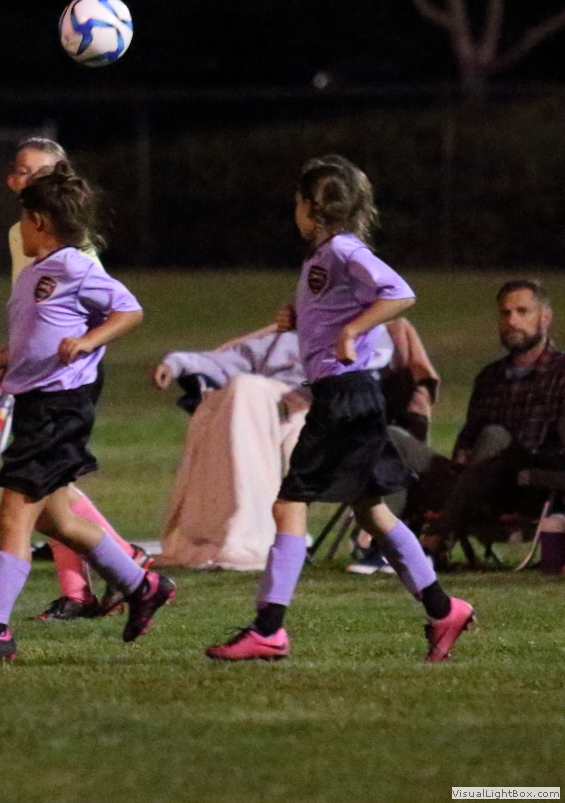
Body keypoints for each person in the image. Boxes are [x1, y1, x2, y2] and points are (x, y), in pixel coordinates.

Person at [205, 155, 473, 663]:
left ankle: (269, 628)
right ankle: (444, 610)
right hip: (352, 396)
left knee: (290, 503)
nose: (295, 212)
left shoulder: (346, 249)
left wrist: (352, 330)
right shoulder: (324, 257)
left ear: (312, 207)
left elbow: (400, 293)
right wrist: (300, 319)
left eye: (298, 202)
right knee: (371, 510)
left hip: (346, 395)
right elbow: (335, 307)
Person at [0, 162, 174, 663]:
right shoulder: (34, 275)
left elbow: (130, 310)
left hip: (58, 408)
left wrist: (88, 341)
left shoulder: (74, 266)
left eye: (22, 219)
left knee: (13, 516)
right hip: (35, 407)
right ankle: (144, 586)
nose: (19, 229)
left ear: (39, 221)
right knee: (58, 520)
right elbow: (32, 344)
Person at [152, 318, 438, 574]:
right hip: (264, 417)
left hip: (323, 421)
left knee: (252, 392)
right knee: (244, 389)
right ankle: (231, 537)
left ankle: (422, 583)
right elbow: (225, 361)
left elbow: (355, 383)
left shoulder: (367, 337)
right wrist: (175, 364)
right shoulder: (283, 338)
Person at [5, 137, 150, 621]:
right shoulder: (22, 234)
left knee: (37, 495)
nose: (25, 179)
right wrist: (3, 357)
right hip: (38, 373)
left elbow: (113, 310)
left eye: (39, 172)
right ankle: (112, 578)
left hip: (65, 378)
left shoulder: (72, 253)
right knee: (52, 500)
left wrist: (84, 344)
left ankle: (118, 567)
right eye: (21, 171)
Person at [403, 279, 565, 566]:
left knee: (495, 436)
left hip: (524, 485)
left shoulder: (560, 373)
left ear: (545, 318)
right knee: (393, 438)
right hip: (473, 482)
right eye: (505, 313)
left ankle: (437, 538)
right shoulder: (490, 376)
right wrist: (463, 454)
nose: (512, 321)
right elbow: (467, 438)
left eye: (522, 312)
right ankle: (379, 545)